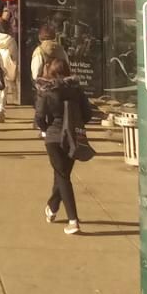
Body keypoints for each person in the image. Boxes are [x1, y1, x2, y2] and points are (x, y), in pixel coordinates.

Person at [35, 53, 95, 234]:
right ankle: (52, 207)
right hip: (72, 137)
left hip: (54, 137)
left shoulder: (46, 91)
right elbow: (88, 114)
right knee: (62, 173)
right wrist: (76, 123)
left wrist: (46, 129)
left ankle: (73, 220)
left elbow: (39, 117)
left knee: (62, 175)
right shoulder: (77, 90)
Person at [0, 14, 19, 124]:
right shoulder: (11, 40)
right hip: (6, 67)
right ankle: (1, 109)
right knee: (3, 89)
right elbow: (15, 55)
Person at [30, 20, 61, 86]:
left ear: (40, 37)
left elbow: (35, 75)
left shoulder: (39, 51)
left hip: (45, 87)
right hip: (60, 86)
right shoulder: (61, 49)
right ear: (54, 36)